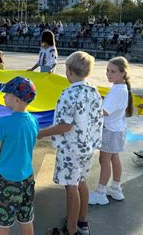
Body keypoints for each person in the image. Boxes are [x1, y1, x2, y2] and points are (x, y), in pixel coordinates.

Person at [38, 51, 103, 235]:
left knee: (71, 187)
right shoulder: (94, 91)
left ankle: (70, 229)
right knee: (81, 182)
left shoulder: (69, 94)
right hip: (87, 147)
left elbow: (65, 126)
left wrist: (42, 133)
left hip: (71, 148)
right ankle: (82, 222)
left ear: (69, 70)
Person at [0, 76, 38, 235]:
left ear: (16, 99)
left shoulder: (3, 123)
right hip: (27, 178)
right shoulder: (33, 120)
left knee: (4, 223)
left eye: (6, 93)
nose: (3, 96)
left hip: (7, 180)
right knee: (26, 218)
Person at [89, 56, 133, 206]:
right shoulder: (120, 87)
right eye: (107, 70)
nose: (108, 74)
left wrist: (88, 108)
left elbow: (104, 112)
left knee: (104, 160)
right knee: (115, 159)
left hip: (110, 130)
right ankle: (116, 188)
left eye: (113, 71)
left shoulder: (117, 90)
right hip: (118, 129)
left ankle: (100, 193)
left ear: (123, 73)